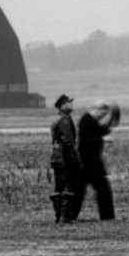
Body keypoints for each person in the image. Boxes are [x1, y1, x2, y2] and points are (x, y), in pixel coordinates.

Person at [73, 101, 120, 221]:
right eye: (101, 114)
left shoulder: (89, 120)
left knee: (80, 192)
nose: (101, 117)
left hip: (88, 162)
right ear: (96, 109)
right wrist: (103, 141)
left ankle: (70, 215)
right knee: (102, 189)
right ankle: (107, 216)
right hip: (89, 162)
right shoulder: (87, 121)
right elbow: (88, 141)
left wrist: (110, 124)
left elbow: (99, 131)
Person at [49, 94, 81, 223]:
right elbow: (68, 142)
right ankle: (65, 216)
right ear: (62, 105)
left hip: (57, 157)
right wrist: (75, 160)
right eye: (68, 102)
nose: (71, 104)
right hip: (64, 157)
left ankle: (59, 215)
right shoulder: (65, 120)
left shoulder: (59, 119)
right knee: (68, 185)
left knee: (59, 186)